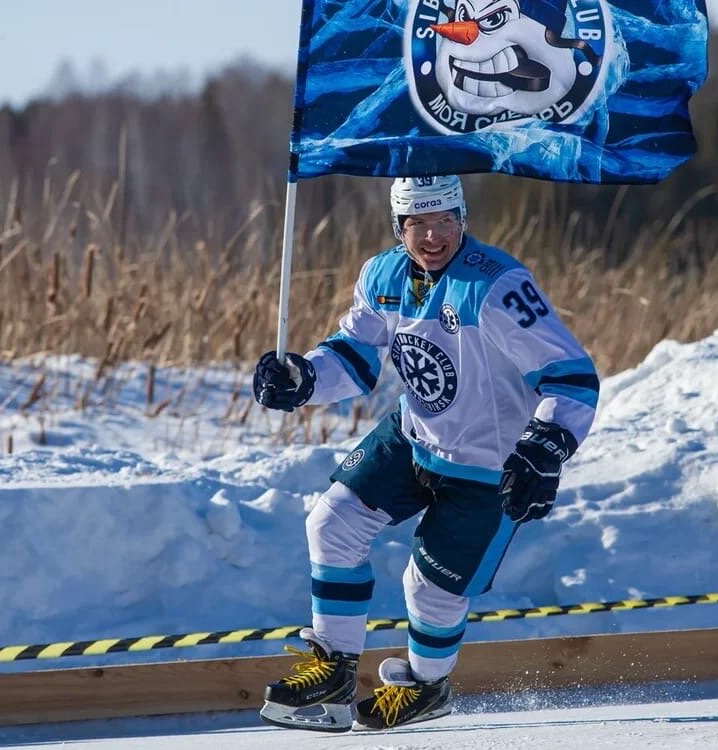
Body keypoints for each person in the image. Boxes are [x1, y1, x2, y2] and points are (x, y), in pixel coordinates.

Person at [253, 175, 598, 732]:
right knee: (331, 524)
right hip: (414, 438)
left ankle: (426, 685)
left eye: (445, 222)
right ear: (399, 227)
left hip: (490, 469)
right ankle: (333, 666)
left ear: (463, 219)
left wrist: (546, 446)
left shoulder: (497, 286)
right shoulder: (382, 274)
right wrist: (305, 376)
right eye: (418, 224)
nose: (433, 236)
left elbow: (573, 376)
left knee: (429, 587)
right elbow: (358, 354)